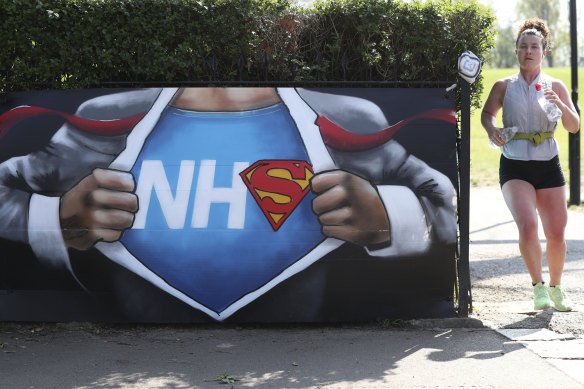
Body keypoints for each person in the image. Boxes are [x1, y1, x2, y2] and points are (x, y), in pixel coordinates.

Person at [0, 87, 457, 321]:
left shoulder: (346, 120)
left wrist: (388, 215)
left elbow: (444, 203)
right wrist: (56, 218)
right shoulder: (106, 116)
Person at [481, 19, 580, 311]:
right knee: (527, 226)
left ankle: (557, 287)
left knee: (557, 233)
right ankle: (538, 287)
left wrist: (561, 105)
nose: (529, 51)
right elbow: (487, 114)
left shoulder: (556, 85)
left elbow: (574, 127)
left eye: (534, 47)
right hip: (514, 164)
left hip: (548, 163)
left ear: (543, 52)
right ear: (516, 52)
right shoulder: (504, 86)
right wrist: (492, 130)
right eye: (523, 46)